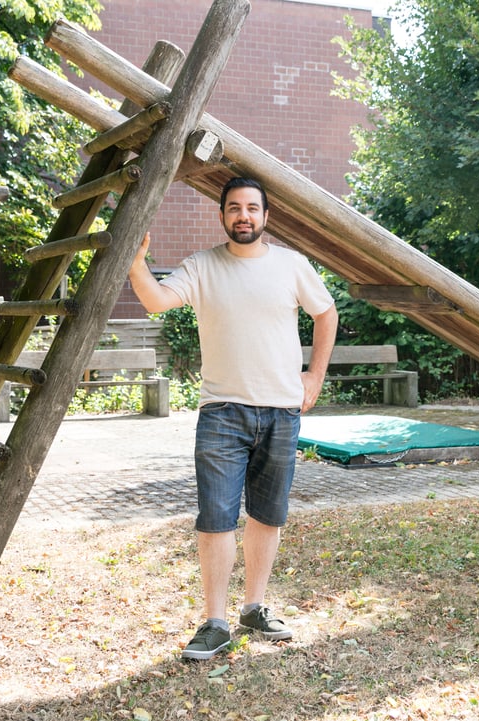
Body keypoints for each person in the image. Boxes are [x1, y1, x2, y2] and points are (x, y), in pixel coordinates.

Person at [128, 177, 338, 660]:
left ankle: (254, 608)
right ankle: (215, 621)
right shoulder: (202, 266)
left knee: (268, 514)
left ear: (266, 217)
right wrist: (136, 263)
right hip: (222, 412)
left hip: (283, 411)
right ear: (221, 215)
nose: (243, 216)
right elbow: (157, 301)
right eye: (234, 208)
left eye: (252, 208)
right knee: (217, 518)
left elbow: (325, 314)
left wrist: (315, 376)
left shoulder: (291, 265)